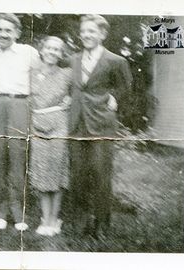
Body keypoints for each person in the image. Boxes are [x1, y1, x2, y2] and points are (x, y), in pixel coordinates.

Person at [69, 15, 133, 238]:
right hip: (77, 124)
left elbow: (126, 88)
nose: (86, 35)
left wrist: (114, 97)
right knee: (77, 175)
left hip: (102, 124)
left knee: (101, 175)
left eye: (92, 31)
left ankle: (102, 225)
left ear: (102, 34)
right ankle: (80, 223)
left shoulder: (115, 60)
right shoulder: (74, 59)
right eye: (83, 31)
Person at [0, 13, 39, 231]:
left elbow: (40, 80)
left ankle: (19, 212)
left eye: (8, 30)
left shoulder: (29, 53)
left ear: (17, 32)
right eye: (0, 30)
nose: (3, 34)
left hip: (19, 104)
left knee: (18, 158)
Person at [29, 36, 72, 236]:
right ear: (42, 49)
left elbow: (81, 91)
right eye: (49, 48)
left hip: (59, 124)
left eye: (57, 50)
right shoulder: (30, 73)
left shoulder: (67, 74)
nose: (52, 52)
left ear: (62, 54)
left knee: (56, 171)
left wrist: (70, 99)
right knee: (41, 171)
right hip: (37, 125)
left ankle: (55, 219)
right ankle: (44, 218)